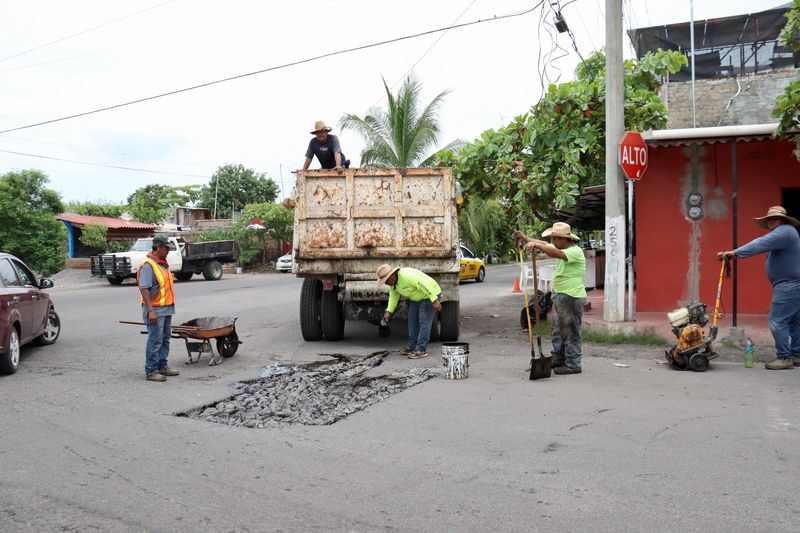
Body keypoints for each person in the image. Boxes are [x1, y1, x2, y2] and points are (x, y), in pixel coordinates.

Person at [718, 206, 800, 370]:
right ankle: (797, 354)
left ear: (783, 220)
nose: (770, 221)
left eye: (774, 218)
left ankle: (784, 358)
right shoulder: (784, 234)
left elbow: (760, 244)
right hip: (792, 284)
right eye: (769, 218)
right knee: (794, 321)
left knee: (777, 320)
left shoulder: (785, 231)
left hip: (789, 285)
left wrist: (734, 253)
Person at [514, 222, 587, 375]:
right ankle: (558, 358)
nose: (553, 242)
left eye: (555, 238)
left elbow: (554, 252)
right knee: (557, 331)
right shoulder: (562, 247)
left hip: (571, 296)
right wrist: (526, 238)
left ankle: (574, 364)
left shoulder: (575, 251)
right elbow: (545, 245)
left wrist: (537, 245)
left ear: (564, 239)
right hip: (561, 296)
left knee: (570, 331)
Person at [376, 264, 443, 359]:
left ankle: (421, 349)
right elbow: (393, 298)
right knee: (412, 320)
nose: (386, 283)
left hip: (429, 295)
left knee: (424, 322)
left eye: (386, 281)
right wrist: (389, 312)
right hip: (416, 298)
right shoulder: (394, 285)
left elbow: (424, 284)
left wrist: (434, 300)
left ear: (392, 275)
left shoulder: (407, 276)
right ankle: (412, 346)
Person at [137, 234, 179, 382]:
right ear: (158, 247)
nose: (168, 251)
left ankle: (162, 366)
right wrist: (151, 311)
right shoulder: (148, 265)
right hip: (155, 310)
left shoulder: (162, 264)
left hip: (167, 308)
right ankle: (151, 371)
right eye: (166, 248)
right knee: (155, 340)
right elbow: (144, 288)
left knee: (165, 339)